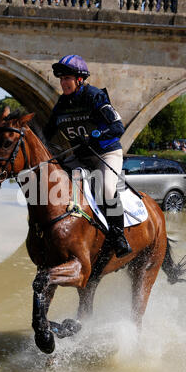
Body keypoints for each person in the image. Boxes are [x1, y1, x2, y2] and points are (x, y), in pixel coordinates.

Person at [44, 55, 132, 258]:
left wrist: (93, 135)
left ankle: (118, 237)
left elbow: (118, 127)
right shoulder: (61, 104)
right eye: (61, 79)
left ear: (80, 79)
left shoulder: (95, 96)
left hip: (105, 153)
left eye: (67, 78)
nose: (63, 83)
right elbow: (47, 133)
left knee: (107, 189)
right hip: (80, 157)